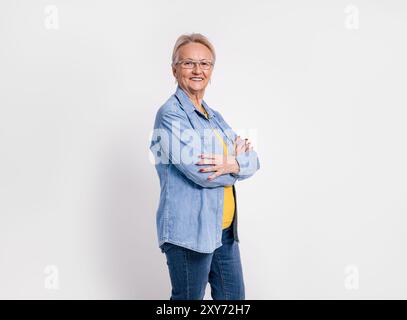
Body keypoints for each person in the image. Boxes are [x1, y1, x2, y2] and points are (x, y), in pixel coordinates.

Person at [149, 33, 260, 300]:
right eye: (188, 63)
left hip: (224, 231)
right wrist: (237, 165)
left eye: (205, 64)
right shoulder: (171, 114)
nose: (198, 70)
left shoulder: (214, 117)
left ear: (211, 70)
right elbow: (202, 173)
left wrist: (231, 163)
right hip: (190, 235)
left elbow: (254, 159)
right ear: (174, 69)